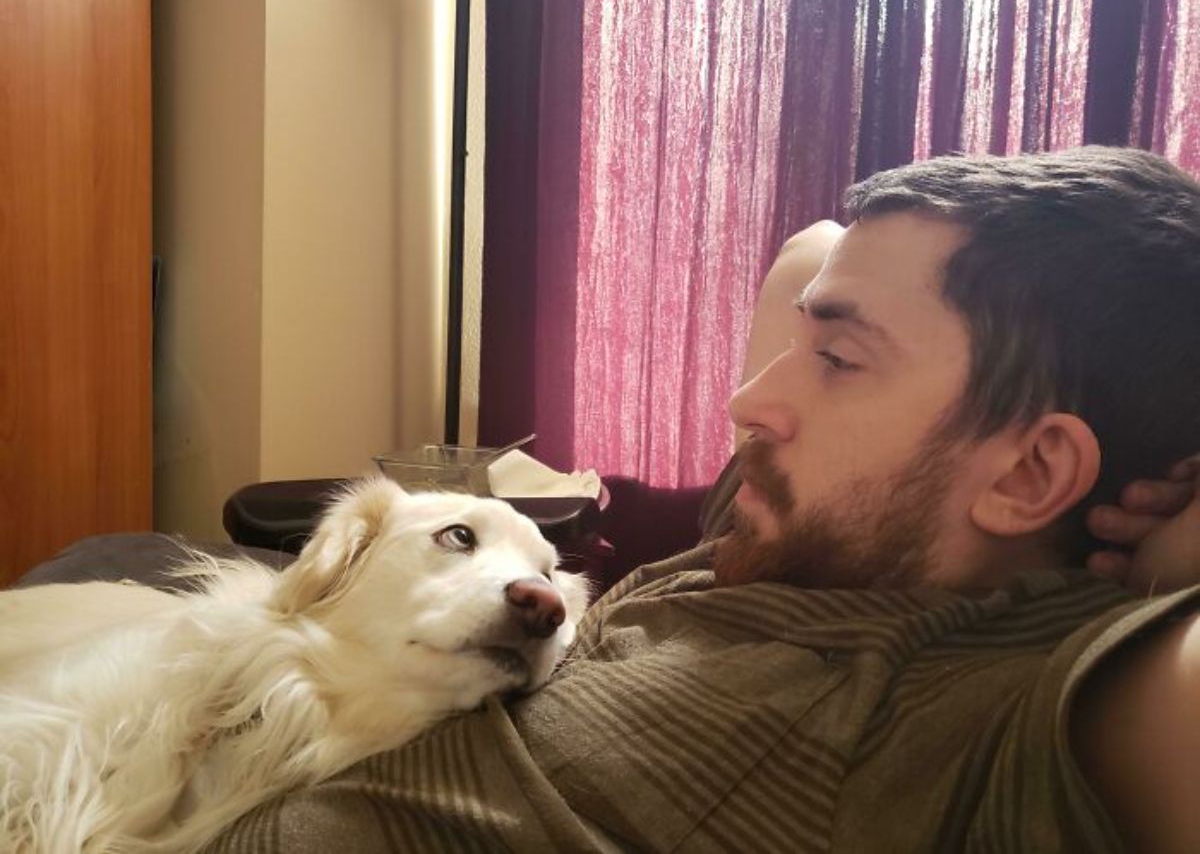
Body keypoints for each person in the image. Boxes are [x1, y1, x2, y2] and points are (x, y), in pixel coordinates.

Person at [200, 148, 1200, 849]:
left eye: (840, 360)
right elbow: (811, 252)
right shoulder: (792, 527)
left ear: (1029, 475)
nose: (751, 400)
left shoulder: (976, 720)